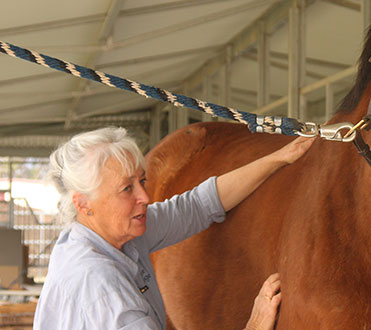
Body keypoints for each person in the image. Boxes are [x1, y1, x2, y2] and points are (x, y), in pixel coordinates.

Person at [33, 126, 314, 329]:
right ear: (83, 204)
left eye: (141, 181)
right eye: (126, 188)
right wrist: (253, 325)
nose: (144, 197)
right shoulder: (102, 289)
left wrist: (279, 158)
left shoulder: (107, 235)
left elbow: (198, 206)